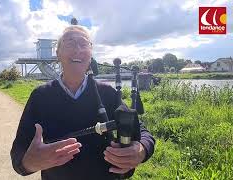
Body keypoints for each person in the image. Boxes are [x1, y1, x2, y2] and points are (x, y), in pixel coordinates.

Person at [10, 25, 155, 180]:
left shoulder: (108, 93)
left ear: (90, 54)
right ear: (58, 53)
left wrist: (141, 149)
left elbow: (141, 129)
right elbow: (19, 153)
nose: (77, 49)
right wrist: (28, 163)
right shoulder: (40, 96)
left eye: (83, 43)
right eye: (70, 43)